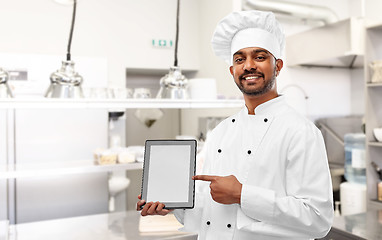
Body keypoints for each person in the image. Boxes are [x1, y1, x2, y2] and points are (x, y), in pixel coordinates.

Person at [137, 10, 334, 240]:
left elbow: (319, 218)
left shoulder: (301, 131)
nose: (248, 65)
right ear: (232, 71)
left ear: (278, 66)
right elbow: (210, 212)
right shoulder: (221, 132)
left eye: (259, 57)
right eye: (239, 59)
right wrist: (173, 205)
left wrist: (243, 194)